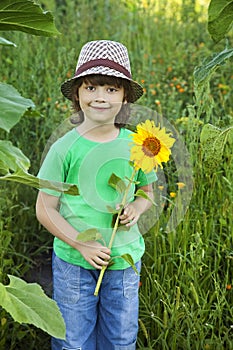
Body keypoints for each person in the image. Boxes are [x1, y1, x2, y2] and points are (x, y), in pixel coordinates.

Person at [36, 40, 157, 350]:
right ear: (77, 94)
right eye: (91, 88)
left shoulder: (138, 144)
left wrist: (136, 209)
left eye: (111, 89)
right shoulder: (64, 148)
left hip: (124, 260)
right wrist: (80, 242)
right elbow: (45, 208)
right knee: (73, 340)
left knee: (120, 338)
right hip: (74, 262)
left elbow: (147, 193)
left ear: (125, 97)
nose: (100, 97)